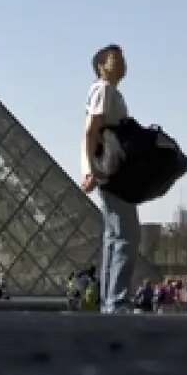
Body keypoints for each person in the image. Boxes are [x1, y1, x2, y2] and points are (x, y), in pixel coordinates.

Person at [78, 44, 140, 313]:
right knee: (127, 234)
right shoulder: (104, 89)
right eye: (116, 58)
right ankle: (116, 300)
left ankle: (109, 301)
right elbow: (91, 131)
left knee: (114, 236)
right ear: (101, 66)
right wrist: (89, 168)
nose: (122, 62)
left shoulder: (106, 90)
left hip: (107, 168)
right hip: (112, 169)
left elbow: (89, 132)